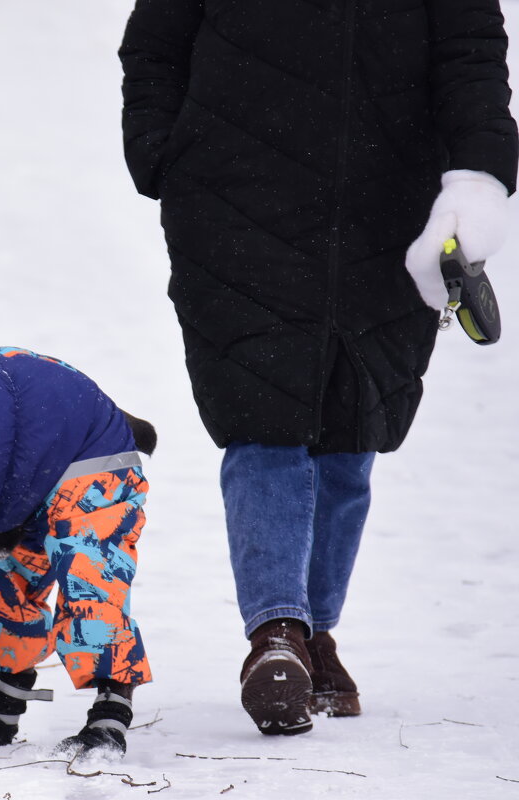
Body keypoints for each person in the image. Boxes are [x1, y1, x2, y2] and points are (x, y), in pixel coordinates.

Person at [119, 0, 517, 735]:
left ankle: (313, 632)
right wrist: (161, 152)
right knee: (260, 413)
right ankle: (276, 633)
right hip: (236, 201)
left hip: (388, 207)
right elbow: (155, 43)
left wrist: (478, 178)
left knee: (353, 425)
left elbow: (471, 60)